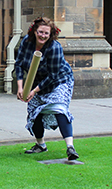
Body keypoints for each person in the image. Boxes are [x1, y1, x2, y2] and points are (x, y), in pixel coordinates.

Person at [15, 17, 79, 161]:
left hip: (59, 80)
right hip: (36, 80)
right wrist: (21, 87)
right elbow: (18, 64)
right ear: (34, 31)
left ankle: (70, 147)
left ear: (51, 35)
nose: (43, 35)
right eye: (40, 32)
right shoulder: (26, 42)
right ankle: (40, 145)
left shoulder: (54, 47)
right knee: (35, 111)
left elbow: (53, 75)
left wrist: (34, 91)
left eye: (46, 33)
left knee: (59, 108)